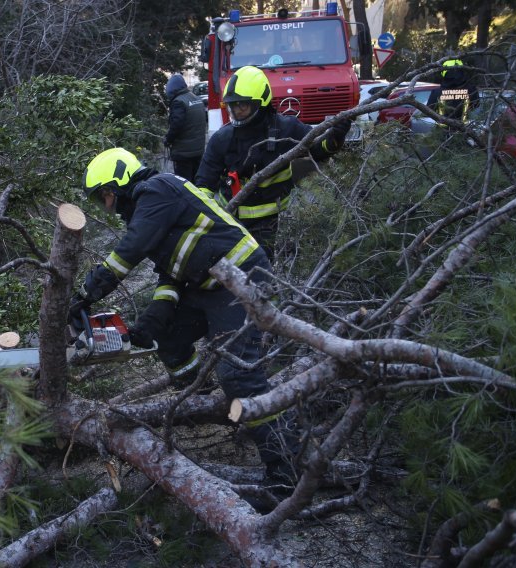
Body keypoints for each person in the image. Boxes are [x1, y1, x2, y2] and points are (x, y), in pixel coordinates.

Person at [68, 148, 297, 484]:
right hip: (205, 284)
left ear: (119, 184)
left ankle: (286, 467)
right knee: (168, 341)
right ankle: (202, 403)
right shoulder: (148, 207)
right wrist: (156, 316)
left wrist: (90, 290)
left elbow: (133, 247)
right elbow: (170, 271)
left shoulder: (157, 189)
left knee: (239, 376)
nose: (106, 205)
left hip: (242, 279)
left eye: (105, 196)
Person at [194, 66, 352, 263]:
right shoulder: (222, 139)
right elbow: (203, 184)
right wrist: (204, 224)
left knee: (266, 276)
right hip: (233, 223)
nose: (236, 111)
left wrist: (337, 135)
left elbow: (320, 149)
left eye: (242, 105)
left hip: (277, 225)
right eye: (232, 106)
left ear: (261, 102)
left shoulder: (288, 129)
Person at [163, 74, 207, 181]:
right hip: (198, 150)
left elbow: (176, 125)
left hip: (184, 153)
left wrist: (167, 140)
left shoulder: (178, 102)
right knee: (196, 181)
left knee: (184, 184)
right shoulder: (196, 99)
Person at [439, 57, 478, 121]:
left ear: (443, 72)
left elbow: (430, 108)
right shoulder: (471, 89)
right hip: (466, 129)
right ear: (462, 70)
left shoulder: (437, 91)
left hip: (442, 130)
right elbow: (476, 105)